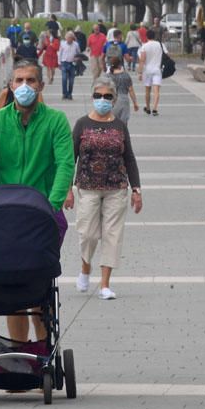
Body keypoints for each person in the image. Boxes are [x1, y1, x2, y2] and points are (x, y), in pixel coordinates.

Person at [0, 58, 74, 342]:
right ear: (10, 85)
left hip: (43, 214)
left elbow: (65, 163)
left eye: (31, 81)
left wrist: (52, 204)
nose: (24, 86)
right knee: (12, 289)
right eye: (19, 80)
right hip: (2, 214)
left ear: (41, 85)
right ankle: (19, 352)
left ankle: (42, 350)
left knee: (38, 288)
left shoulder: (55, 121)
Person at [63, 77, 142, 300]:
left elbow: (130, 158)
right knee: (87, 233)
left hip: (116, 187)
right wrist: (67, 189)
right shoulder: (81, 124)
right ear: (92, 97)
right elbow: (71, 158)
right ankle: (85, 269)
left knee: (112, 235)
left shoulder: (119, 126)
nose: (103, 100)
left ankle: (105, 284)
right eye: (98, 96)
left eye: (108, 96)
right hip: (87, 186)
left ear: (114, 99)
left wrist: (136, 190)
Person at [138, 30, 166, 117]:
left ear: (147, 37)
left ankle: (148, 107)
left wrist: (140, 72)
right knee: (156, 90)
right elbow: (167, 54)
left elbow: (142, 60)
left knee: (147, 90)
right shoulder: (160, 45)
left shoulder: (144, 46)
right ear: (154, 36)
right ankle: (155, 108)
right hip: (157, 69)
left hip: (147, 71)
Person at [109, 57, 139, 125]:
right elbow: (131, 90)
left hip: (111, 100)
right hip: (124, 99)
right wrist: (135, 103)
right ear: (120, 65)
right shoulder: (126, 75)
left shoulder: (108, 76)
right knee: (123, 124)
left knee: (111, 122)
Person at [58, 31, 80, 100]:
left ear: (72, 38)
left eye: (70, 38)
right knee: (64, 79)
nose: (69, 39)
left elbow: (79, 53)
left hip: (72, 64)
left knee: (71, 81)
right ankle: (64, 93)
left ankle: (70, 94)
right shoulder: (62, 44)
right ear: (66, 38)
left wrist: (77, 58)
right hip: (64, 63)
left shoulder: (76, 44)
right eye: (68, 38)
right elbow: (60, 54)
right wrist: (59, 63)